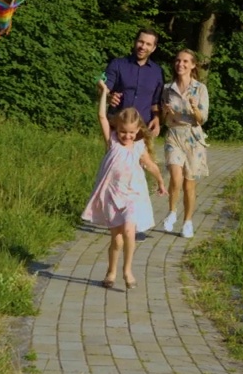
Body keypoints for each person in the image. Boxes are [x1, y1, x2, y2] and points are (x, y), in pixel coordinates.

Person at [82, 80, 166, 289]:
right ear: (117, 129)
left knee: (130, 230)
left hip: (133, 195)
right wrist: (104, 93)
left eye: (131, 132)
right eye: (123, 132)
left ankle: (127, 270)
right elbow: (102, 116)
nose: (127, 136)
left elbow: (151, 166)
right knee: (116, 239)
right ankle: (111, 272)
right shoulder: (112, 141)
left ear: (138, 130)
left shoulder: (139, 147)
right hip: (112, 195)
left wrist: (161, 182)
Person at [160, 49, 209, 239]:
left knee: (189, 184)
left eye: (186, 62)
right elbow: (164, 119)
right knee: (175, 176)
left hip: (193, 138)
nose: (181, 64)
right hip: (173, 134)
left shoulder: (200, 89)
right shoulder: (167, 88)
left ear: (193, 65)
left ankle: (187, 222)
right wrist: (165, 112)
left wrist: (194, 107)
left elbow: (201, 119)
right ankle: (172, 212)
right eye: (178, 61)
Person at [105, 30, 165, 137]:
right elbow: (104, 88)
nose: (143, 46)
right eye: (141, 42)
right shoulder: (117, 64)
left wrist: (156, 118)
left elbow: (155, 102)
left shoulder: (157, 72)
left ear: (153, 48)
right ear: (135, 42)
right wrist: (109, 97)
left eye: (148, 44)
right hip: (118, 127)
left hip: (143, 129)